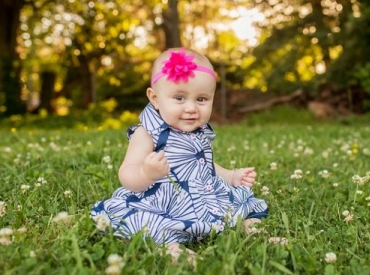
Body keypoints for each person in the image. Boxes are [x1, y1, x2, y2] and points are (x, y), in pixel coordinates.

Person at [91, 47, 283, 263]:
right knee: (150, 224)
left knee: (242, 208)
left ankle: (255, 233)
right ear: (154, 98)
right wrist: (146, 172)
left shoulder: (198, 132)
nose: (191, 108)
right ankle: (171, 248)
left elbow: (203, 165)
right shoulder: (146, 134)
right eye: (180, 98)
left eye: (201, 99)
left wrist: (230, 176)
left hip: (204, 197)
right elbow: (127, 175)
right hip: (163, 203)